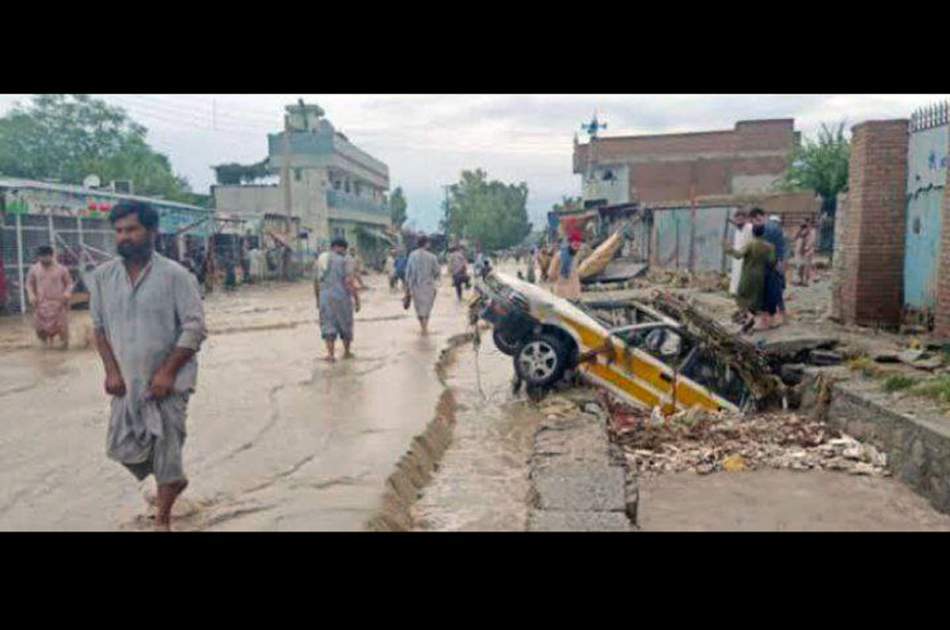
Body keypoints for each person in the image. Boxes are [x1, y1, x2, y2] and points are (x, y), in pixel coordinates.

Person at [89, 201, 206, 531]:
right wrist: (111, 371)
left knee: (167, 450)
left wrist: (168, 372)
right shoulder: (102, 278)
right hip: (127, 383)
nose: (124, 237)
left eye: (132, 229)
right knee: (122, 449)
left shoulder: (176, 276)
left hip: (170, 384)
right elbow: (98, 328)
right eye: (119, 231)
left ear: (152, 232)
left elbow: (195, 328)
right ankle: (173, 482)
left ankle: (163, 519)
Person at [724, 223, 777, 333]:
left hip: (748, 275)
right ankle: (748, 322)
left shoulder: (750, 244)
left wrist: (729, 249)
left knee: (740, 296)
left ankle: (749, 317)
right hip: (760, 277)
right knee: (754, 299)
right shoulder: (770, 246)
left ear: (753, 232)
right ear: (764, 233)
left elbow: (738, 255)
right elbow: (772, 263)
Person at [316, 238, 360, 362]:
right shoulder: (346, 260)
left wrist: (317, 300)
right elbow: (349, 282)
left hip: (324, 298)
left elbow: (316, 282)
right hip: (341, 298)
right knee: (345, 324)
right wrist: (357, 299)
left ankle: (330, 355)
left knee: (328, 325)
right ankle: (346, 352)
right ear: (341, 247)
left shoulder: (321, 259)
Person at [25, 245, 74, 349]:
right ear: (38, 257)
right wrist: (31, 295)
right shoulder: (34, 269)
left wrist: (67, 294)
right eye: (41, 256)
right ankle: (45, 347)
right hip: (41, 303)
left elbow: (69, 283)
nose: (43, 259)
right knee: (39, 328)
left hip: (59, 303)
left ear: (52, 256)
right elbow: (29, 284)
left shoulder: (61, 269)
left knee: (62, 328)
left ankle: (64, 346)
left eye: (46, 256)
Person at [750, 208, 787, 326]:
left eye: (756, 220)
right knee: (775, 291)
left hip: (769, 266)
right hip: (770, 265)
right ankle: (778, 316)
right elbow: (781, 248)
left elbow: (778, 248)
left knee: (769, 293)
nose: (754, 223)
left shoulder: (769, 229)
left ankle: (769, 320)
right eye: (753, 221)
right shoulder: (761, 228)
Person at [404, 235, 441, 334]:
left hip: (416, 286)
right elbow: (437, 272)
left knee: (419, 308)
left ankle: (423, 327)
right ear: (426, 244)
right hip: (429, 286)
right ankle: (425, 327)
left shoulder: (412, 255)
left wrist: (407, 287)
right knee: (427, 308)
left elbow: (408, 272)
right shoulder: (432, 257)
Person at [548, 234, 583, 300]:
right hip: (561, 293)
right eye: (575, 242)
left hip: (574, 294)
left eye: (579, 243)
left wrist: (578, 294)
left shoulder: (575, 257)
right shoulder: (559, 256)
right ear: (570, 243)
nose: (577, 245)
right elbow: (551, 273)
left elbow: (575, 275)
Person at [728, 210, 753, 297]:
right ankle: (735, 292)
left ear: (745, 219)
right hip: (737, 257)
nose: (738, 221)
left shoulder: (750, 228)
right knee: (736, 274)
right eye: (737, 220)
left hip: (747, 256)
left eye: (740, 219)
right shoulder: (737, 230)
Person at [793, 218, 818, 286]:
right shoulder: (800, 231)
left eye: (805, 223)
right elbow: (795, 238)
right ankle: (798, 280)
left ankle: (806, 281)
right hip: (799, 251)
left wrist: (807, 247)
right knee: (799, 266)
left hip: (807, 251)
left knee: (807, 266)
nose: (803, 224)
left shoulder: (812, 231)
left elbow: (812, 241)